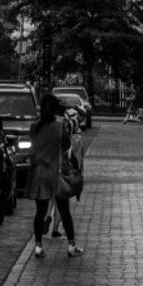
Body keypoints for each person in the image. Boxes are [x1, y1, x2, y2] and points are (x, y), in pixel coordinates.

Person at [26, 93, 83, 258]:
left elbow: (33, 147)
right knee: (64, 210)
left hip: (38, 171)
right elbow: (66, 145)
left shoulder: (34, 126)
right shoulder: (59, 126)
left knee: (40, 211)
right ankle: (71, 245)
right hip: (55, 171)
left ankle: (38, 246)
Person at [50, 109, 85, 238]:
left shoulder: (47, 127)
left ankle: (47, 217)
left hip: (48, 169)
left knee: (51, 199)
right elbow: (71, 157)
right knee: (61, 201)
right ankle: (55, 228)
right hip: (62, 172)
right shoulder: (66, 128)